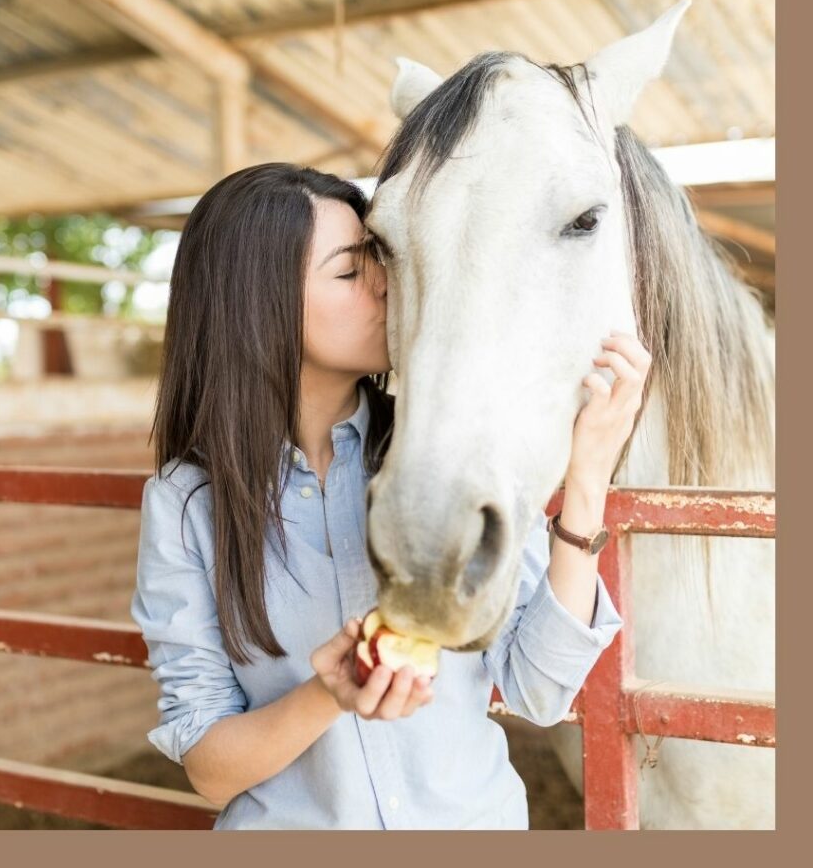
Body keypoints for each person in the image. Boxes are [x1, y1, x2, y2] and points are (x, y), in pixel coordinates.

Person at [130, 163, 641, 829]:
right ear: (258, 307)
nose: (386, 285)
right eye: (349, 272)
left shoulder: (443, 457)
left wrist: (589, 472)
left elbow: (539, 689)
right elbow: (209, 771)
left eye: (378, 259)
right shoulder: (185, 505)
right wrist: (330, 693)